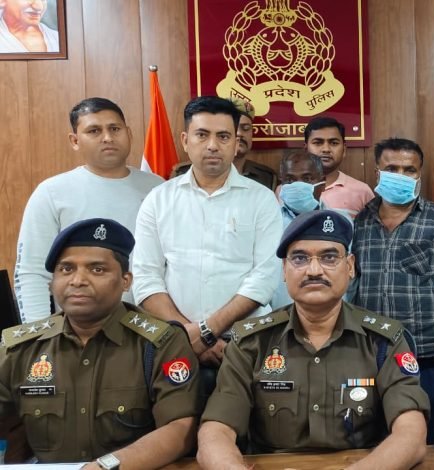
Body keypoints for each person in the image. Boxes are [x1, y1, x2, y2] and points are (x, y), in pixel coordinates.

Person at [197, 210, 429, 470]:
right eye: (300, 258)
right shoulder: (251, 342)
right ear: (284, 270)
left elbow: (411, 434)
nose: (314, 270)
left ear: (350, 266)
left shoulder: (383, 341)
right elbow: (216, 431)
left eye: (329, 258)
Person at [0, 218, 201, 468]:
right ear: (52, 282)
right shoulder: (21, 348)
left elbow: (180, 428)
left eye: (97, 270)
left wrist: (105, 466)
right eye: (66, 269)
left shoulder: (160, 342)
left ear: (126, 281)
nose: (77, 280)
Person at [132, 96, 283, 388]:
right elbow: (146, 277)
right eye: (202, 135)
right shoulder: (158, 199)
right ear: (185, 140)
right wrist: (185, 334)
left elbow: (264, 279)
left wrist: (204, 333)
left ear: (236, 142)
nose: (213, 145)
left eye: (223, 136)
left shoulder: (262, 199)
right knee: (176, 416)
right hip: (175, 343)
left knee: (247, 417)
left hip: (246, 343)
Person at [352, 137, 434, 443]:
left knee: (428, 434)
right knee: (373, 432)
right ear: (378, 173)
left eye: (409, 170)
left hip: (426, 351)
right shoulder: (361, 221)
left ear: (420, 174)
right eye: (392, 168)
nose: (401, 176)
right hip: (370, 350)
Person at [15, 97, 163, 323]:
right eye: (94, 131)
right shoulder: (52, 192)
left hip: (150, 327)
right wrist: (39, 334)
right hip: (78, 329)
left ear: (129, 133)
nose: (107, 137)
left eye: (115, 129)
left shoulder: (158, 188)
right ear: (75, 141)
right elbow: (32, 272)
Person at [271, 151, 350, 309]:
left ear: (322, 183)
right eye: (290, 180)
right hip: (281, 316)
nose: (298, 185)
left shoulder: (342, 221)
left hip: (334, 316)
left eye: (307, 179)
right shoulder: (269, 222)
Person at [304, 116, 375, 218]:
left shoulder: (362, 192)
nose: (326, 149)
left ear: (344, 150)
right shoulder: (287, 190)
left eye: (334, 143)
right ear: (306, 149)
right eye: (318, 143)